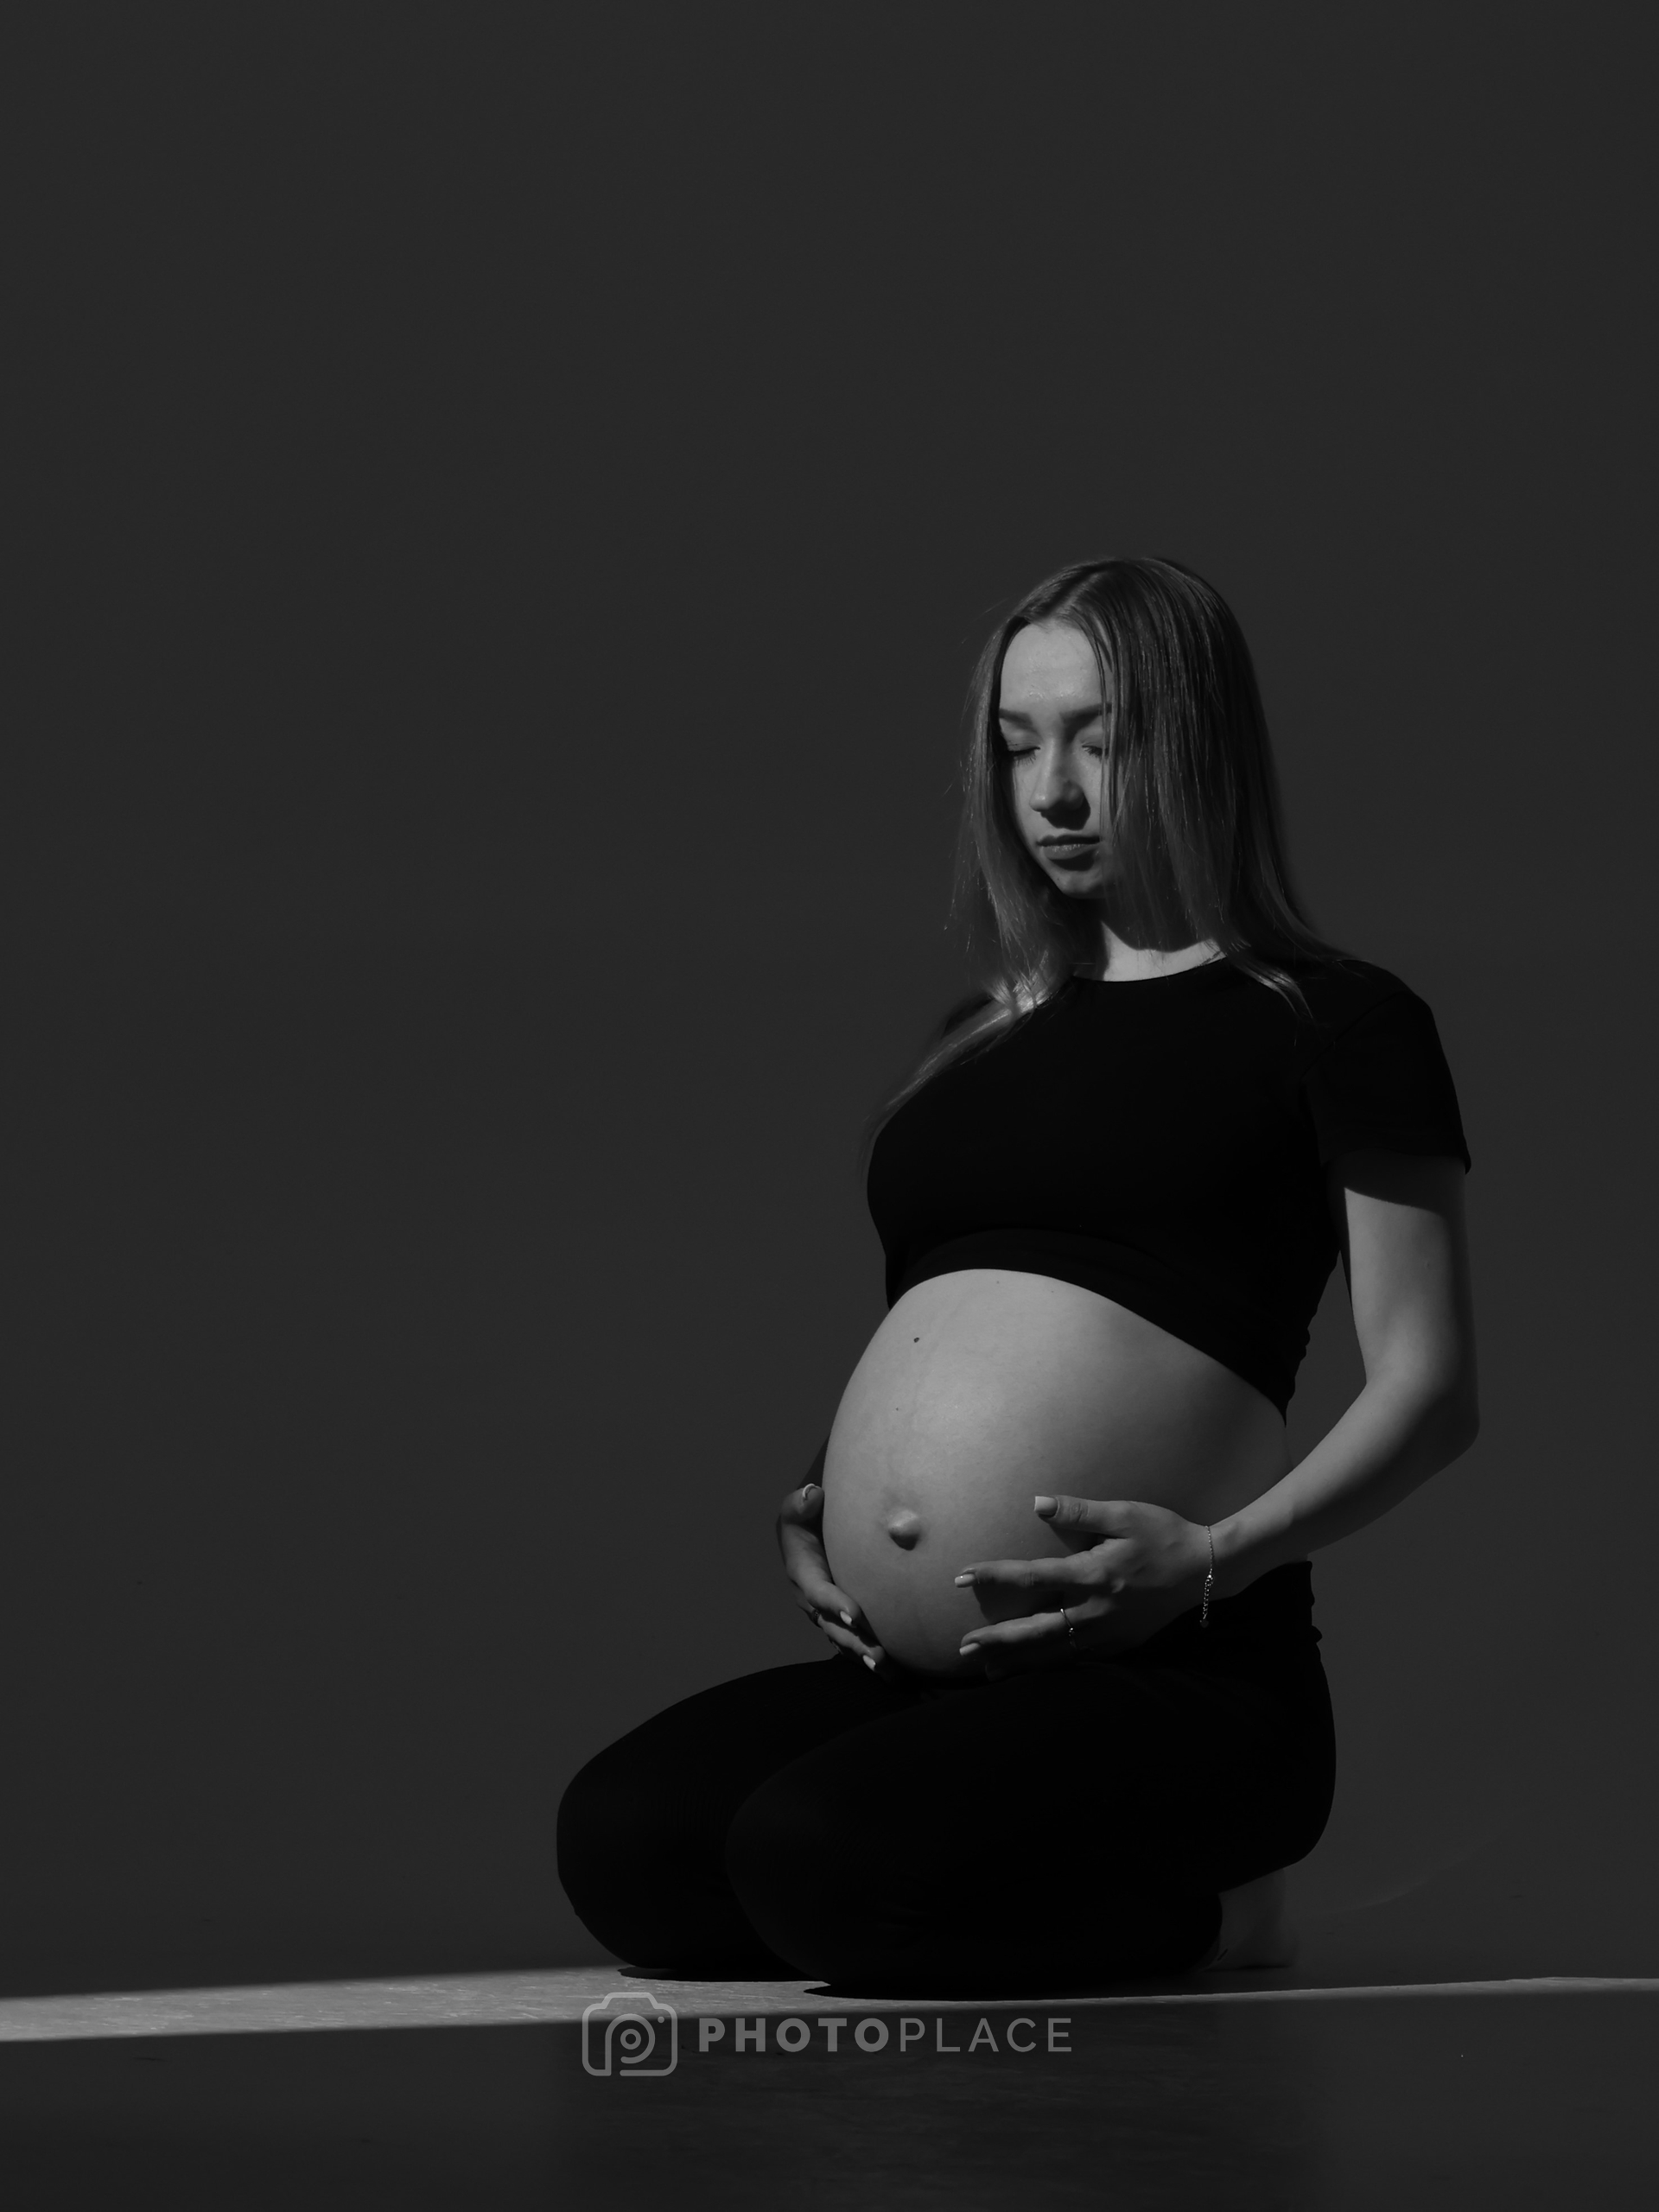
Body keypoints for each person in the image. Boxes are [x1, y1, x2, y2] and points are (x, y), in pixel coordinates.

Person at [557, 556, 1478, 1996]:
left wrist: (1211, 1561)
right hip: (938, 1677)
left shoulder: (1334, 1022)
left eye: (1101, 740)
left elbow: (1431, 1395)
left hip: (1179, 1672)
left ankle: (1223, 1916)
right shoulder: (981, 1034)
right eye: (1018, 742)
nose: (1052, 790)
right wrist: (837, 1496)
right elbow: (970, 1320)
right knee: (628, 1847)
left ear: (1198, 745)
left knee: (824, 1866)